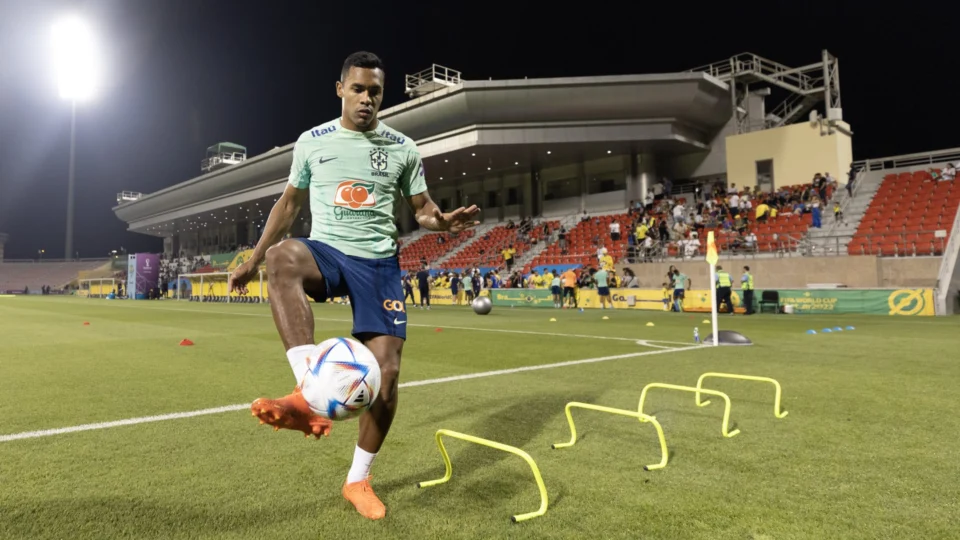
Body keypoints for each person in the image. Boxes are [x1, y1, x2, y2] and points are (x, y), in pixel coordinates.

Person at [227, 51, 480, 521]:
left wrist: (440, 221)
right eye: (359, 89)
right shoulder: (312, 141)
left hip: (379, 263)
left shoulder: (402, 147)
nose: (367, 99)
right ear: (340, 88)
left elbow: (422, 208)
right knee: (283, 258)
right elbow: (288, 205)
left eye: (376, 92)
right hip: (327, 252)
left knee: (387, 376)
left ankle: (357, 481)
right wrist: (253, 258)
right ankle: (309, 392)